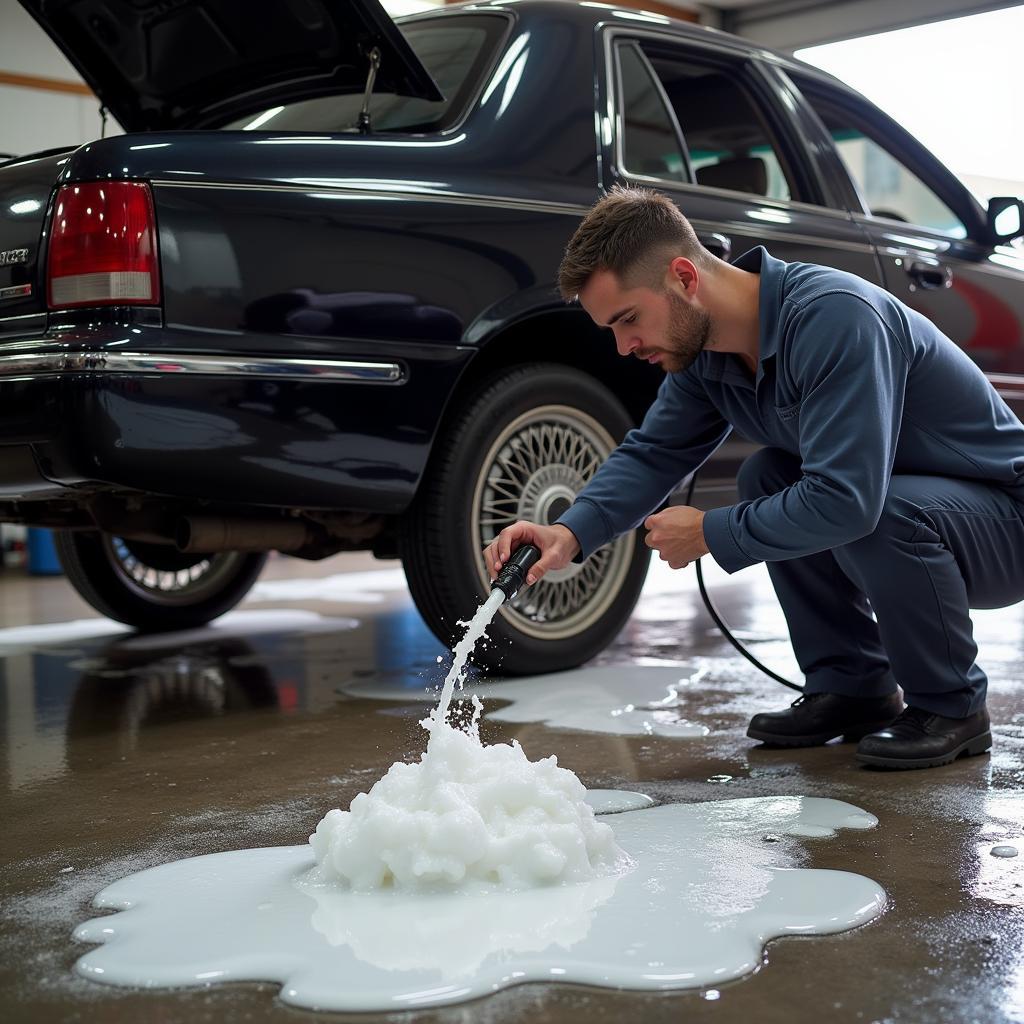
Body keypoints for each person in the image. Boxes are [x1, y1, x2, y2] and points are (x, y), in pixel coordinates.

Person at [484, 186, 1024, 770]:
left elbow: (850, 500)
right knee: (768, 476)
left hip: (1003, 523)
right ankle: (853, 688)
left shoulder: (834, 317)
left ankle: (952, 707)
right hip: (920, 510)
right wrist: (569, 534)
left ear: (684, 278)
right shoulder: (704, 355)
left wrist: (710, 533)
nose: (623, 347)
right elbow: (653, 453)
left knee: (874, 505)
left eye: (628, 319)